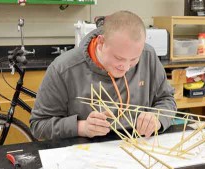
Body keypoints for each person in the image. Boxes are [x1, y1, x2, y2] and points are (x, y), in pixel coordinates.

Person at [30, 10, 176, 140]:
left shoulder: (148, 56)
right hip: (85, 152)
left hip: (139, 146)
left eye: (133, 60)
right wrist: (82, 127)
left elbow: (167, 99)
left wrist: (157, 118)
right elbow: (39, 125)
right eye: (119, 58)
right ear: (101, 42)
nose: (125, 67)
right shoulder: (64, 68)